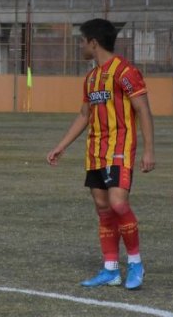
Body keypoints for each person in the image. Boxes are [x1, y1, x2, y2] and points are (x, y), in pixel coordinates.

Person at [47, 18, 155, 290]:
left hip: (119, 150)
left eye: (82, 41)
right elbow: (85, 115)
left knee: (119, 204)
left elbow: (143, 109)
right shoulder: (92, 78)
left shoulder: (125, 71)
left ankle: (135, 264)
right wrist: (62, 145)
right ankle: (110, 269)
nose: (80, 46)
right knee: (104, 210)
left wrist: (149, 150)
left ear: (93, 43)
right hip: (95, 151)